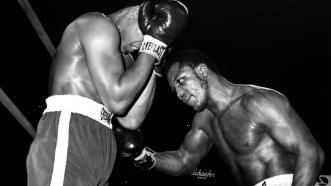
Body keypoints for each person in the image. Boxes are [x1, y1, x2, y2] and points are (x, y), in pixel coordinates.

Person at [26, 1, 189, 185]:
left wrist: (154, 65)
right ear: (134, 14)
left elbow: (131, 120)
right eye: (146, 38)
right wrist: (152, 47)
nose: (139, 49)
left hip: (102, 143)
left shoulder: (124, 58)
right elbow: (117, 102)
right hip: (71, 130)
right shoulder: (96, 24)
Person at [115, 49, 325, 186]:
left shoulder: (258, 101)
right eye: (174, 90)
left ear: (202, 71)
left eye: (181, 81)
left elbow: (310, 151)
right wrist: (143, 156)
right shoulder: (204, 121)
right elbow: (184, 161)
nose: (179, 93)